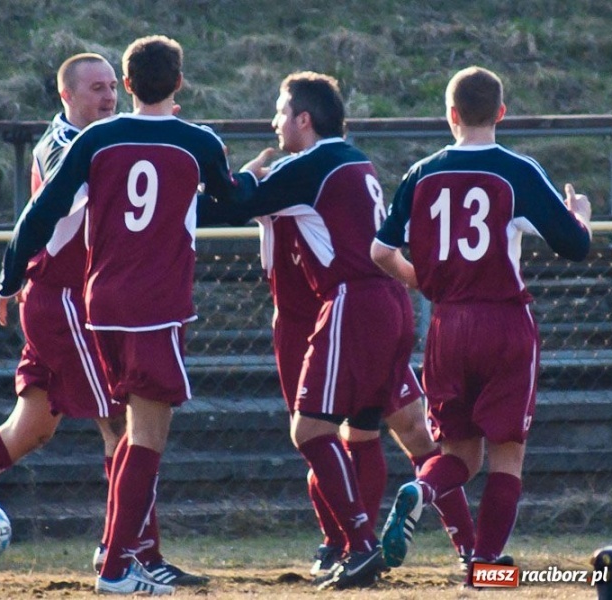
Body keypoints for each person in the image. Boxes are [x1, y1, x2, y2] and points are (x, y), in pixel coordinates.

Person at [0, 53, 200, 586]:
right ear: (67, 96)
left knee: (29, 428)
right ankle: (135, 555)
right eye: (96, 89)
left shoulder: (105, 141)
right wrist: (7, 279)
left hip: (70, 301)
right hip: (65, 302)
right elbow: (46, 213)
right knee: (120, 421)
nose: (107, 98)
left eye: (112, 87)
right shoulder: (66, 144)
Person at [0, 35, 249, 596]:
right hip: (156, 307)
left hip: (101, 306)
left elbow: (40, 213)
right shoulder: (197, 140)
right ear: (178, 83)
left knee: (128, 432)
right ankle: (116, 567)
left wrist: (9, 279)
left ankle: (120, 555)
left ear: (127, 85)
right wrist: (255, 179)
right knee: (146, 436)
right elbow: (228, 198)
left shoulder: (98, 139)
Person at [199, 71, 426, 589]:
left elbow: (234, 199)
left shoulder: (311, 165)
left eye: (280, 112)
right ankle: (434, 547)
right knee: (365, 430)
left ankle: (358, 542)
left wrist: (243, 176)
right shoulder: (354, 160)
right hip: (385, 301)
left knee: (311, 431)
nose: (274, 122)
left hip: (350, 302)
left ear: (304, 118)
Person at [372, 66, 592, 584]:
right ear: (500, 113)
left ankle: (421, 492)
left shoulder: (422, 172)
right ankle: (484, 564)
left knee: (459, 455)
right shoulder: (516, 170)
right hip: (504, 322)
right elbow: (575, 246)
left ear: (449, 115)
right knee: (506, 455)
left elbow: (381, 250)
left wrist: (421, 280)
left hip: (448, 325)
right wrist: (577, 212)